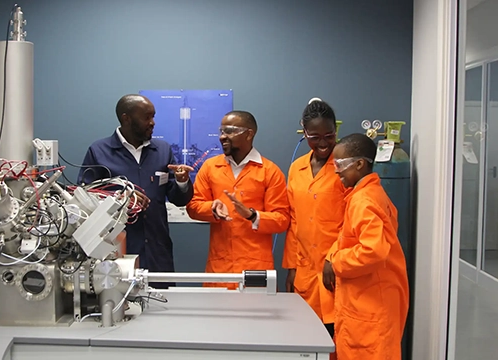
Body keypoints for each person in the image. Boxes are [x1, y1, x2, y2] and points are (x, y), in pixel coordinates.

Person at [78, 94, 194, 288]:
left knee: (163, 309)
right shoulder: (99, 151)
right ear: (126, 118)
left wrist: (182, 182)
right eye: (147, 117)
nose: (152, 122)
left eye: (153, 116)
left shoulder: (163, 151)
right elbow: (84, 201)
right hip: (116, 253)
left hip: (158, 252)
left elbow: (178, 198)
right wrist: (120, 199)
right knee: (120, 309)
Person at [323, 133, 409, 360]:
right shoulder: (368, 195)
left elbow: (373, 251)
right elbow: (348, 237)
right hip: (366, 299)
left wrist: (337, 262)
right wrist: (332, 256)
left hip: (371, 306)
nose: (336, 170)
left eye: (340, 164)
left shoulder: (364, 201)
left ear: (360, 164)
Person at [185, 110, 289, 288]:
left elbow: (282, 220)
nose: (222, 137)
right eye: (221, 131)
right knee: (217, 315)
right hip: (220, 267)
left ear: (249, 134)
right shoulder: (211, 167)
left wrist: (252, 215)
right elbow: (193, 207)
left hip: (255, 266)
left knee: (255, 316)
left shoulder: (269, 171)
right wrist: (212, 208)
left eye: (230, 130)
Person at [281, 99, 346, 343]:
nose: (322, 143)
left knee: (335, 338)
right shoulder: (297, 168)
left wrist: (334, 257)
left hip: (336, 268)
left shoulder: (345, 167)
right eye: (314, 136)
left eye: (329, 136)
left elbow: (352, 221)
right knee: (306, 339)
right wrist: (292, 268)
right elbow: (294, 220)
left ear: (336, 131)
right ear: (304, 133)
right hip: (305, 270)